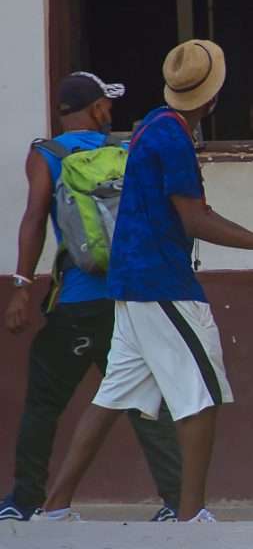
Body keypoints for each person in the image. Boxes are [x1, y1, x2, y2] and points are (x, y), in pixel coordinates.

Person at [34, 40, 253, 523]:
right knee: (202, 392)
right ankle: (191, 513)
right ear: (214, 97)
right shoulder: (173, 139)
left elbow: (188, 211)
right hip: (162, 283)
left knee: (112, 395)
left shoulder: (153, 124)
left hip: (131, 281)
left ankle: (54, 506)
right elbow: (193, 219)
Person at [1, 73, 182, 523]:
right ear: (97, 108)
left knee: (44, 401)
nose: (110, 112)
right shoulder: (124, 152)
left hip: (77, 302)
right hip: (129, 299)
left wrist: (21, 287)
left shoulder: (48, 154)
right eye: (107, 104)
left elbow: (34, 219)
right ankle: (177, 503)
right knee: (147, 398)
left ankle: (24, 503)